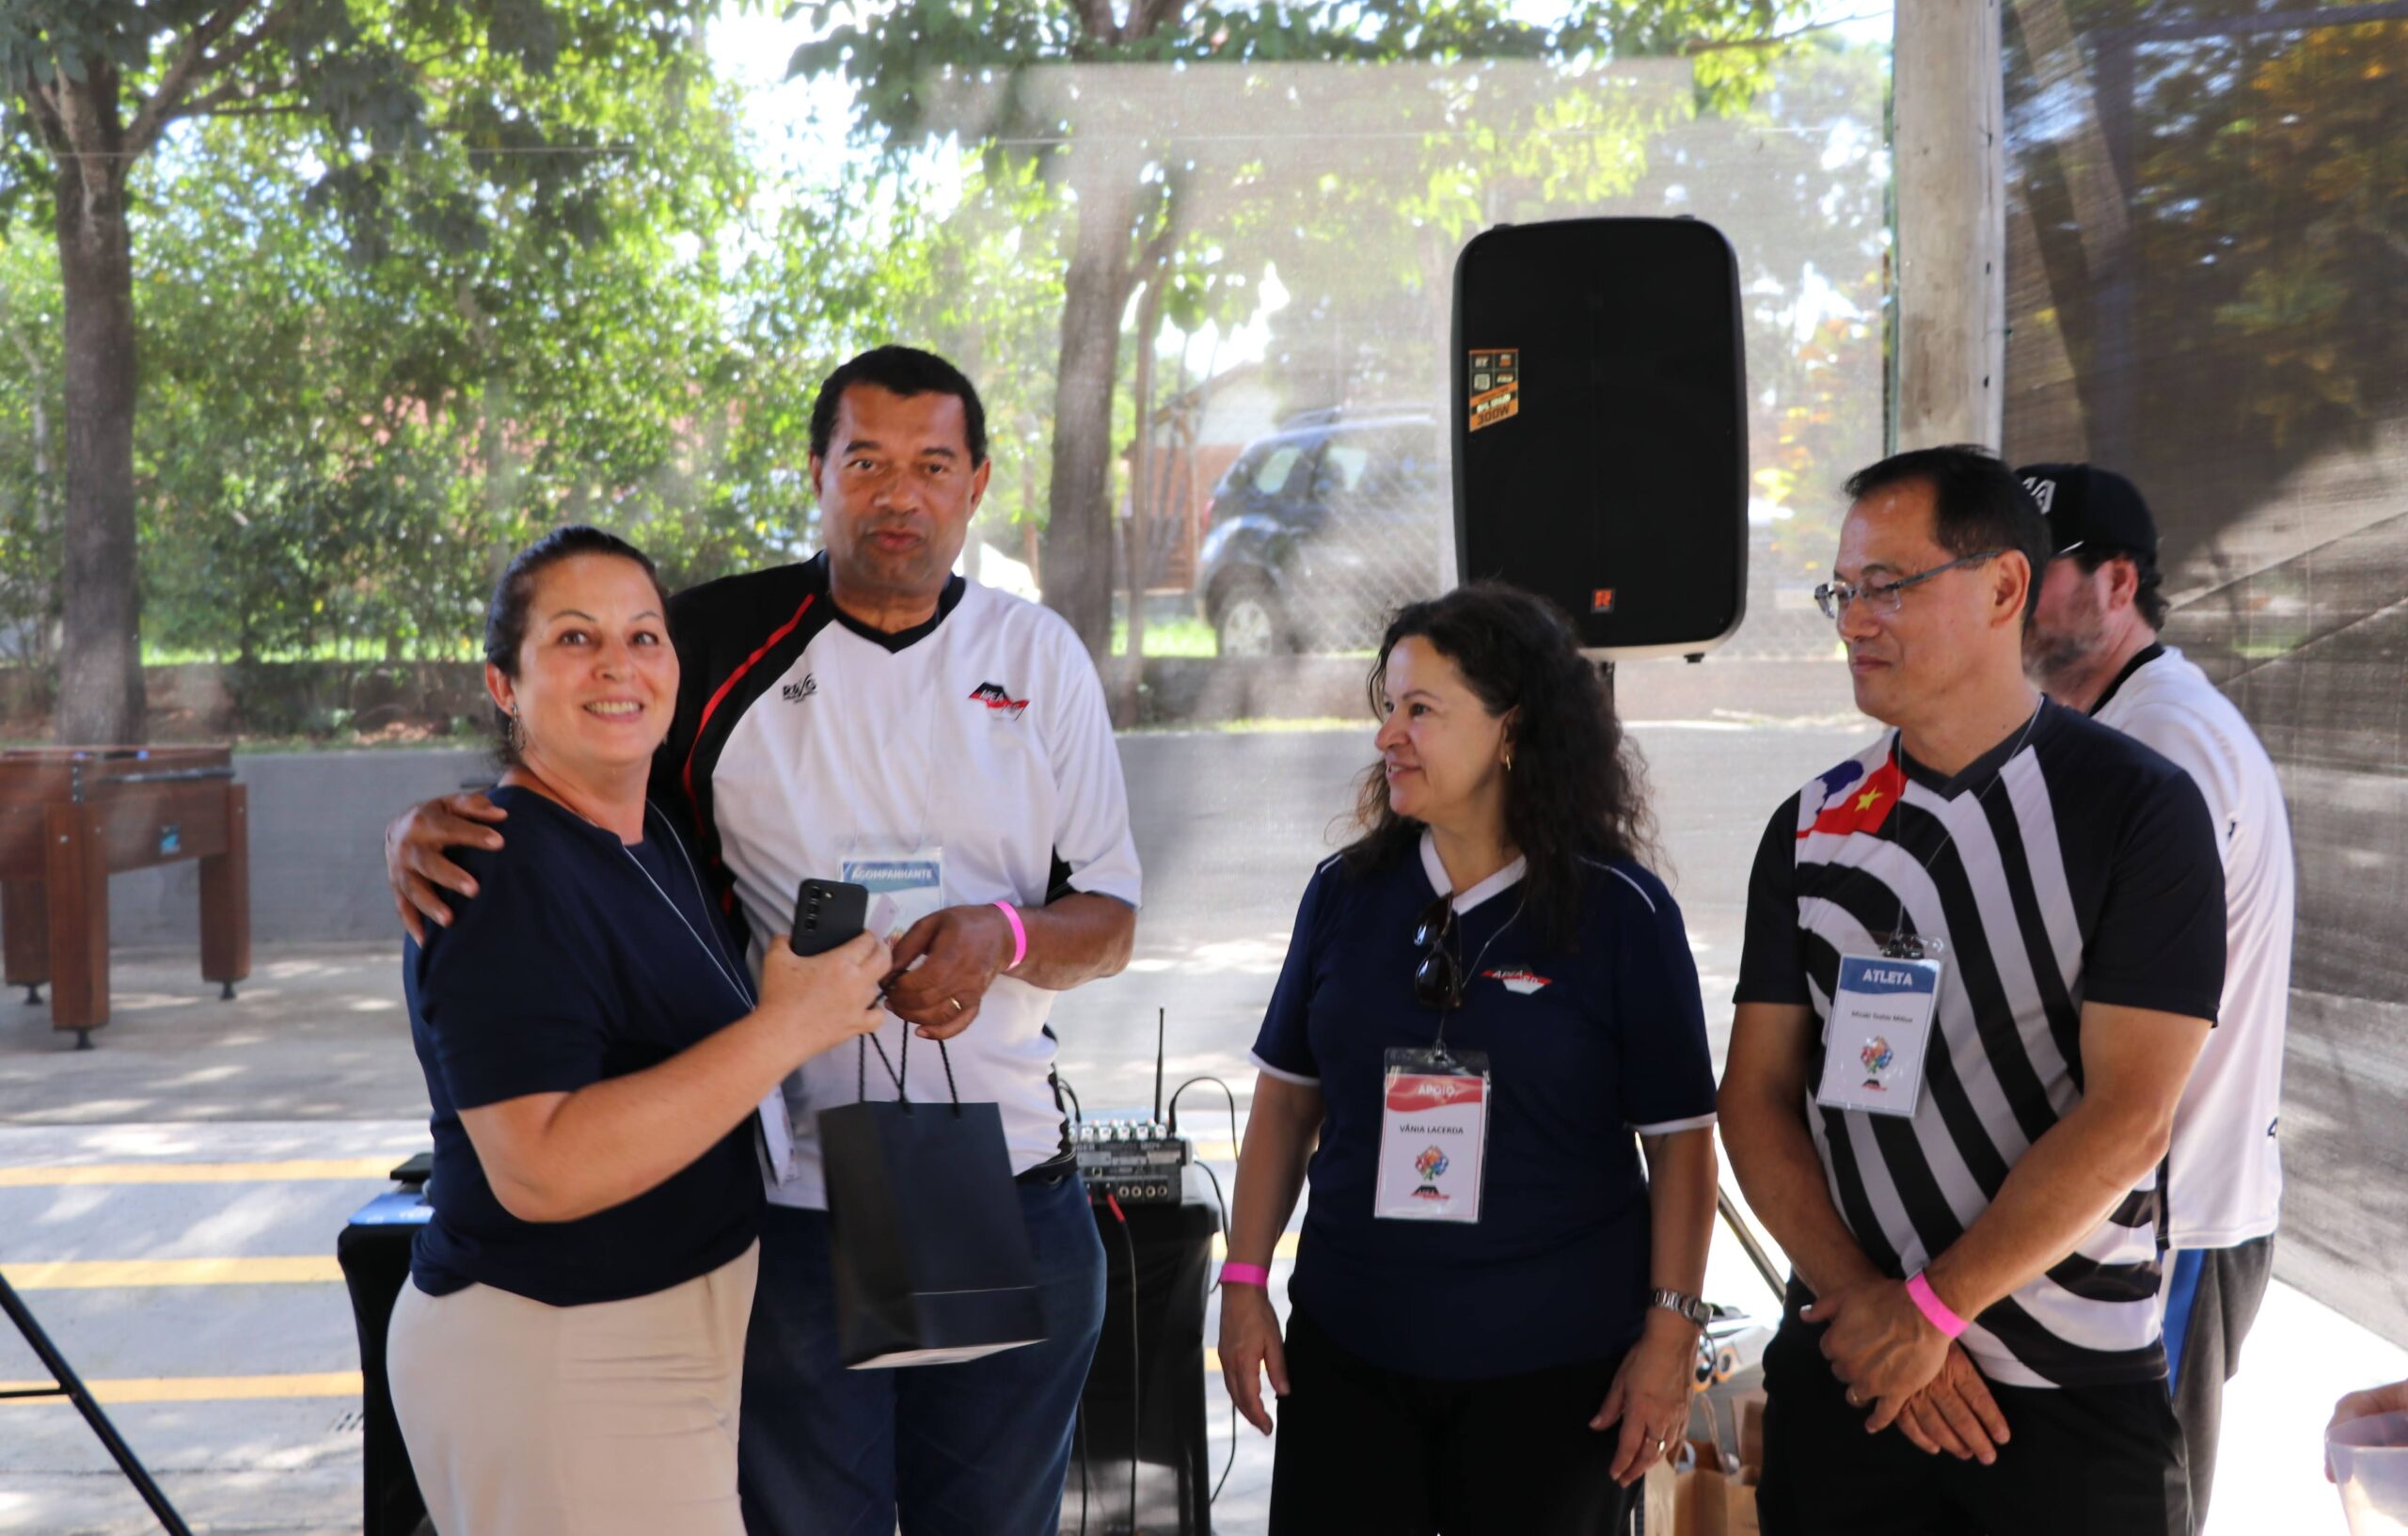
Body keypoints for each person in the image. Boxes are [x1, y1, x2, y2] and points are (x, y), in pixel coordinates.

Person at [384, 347, 1143, 1536]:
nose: (899, 495)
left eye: (932, 465)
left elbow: (1110, 920)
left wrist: (1002, 934)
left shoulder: (1039, 654)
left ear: (979, 481)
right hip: (788, 1206)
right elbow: (576, 781)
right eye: (867, 462)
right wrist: (434, 821)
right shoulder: (709, 640)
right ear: (816, 472)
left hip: (1005, 1180)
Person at [1719, 447, 2229, 1536]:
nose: (1854, 621)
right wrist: (1873, 1311)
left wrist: (1935, 1308)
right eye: (1840, 592)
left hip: (2065, 1388)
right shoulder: (1810, 825)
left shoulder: (2136, 806)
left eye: (1887, 586)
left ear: (2003, 587)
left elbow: (2131, 1115)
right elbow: (1753, 1098)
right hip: (1850, 1370)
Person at [386, 526, 892, 1536]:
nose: (618, 663)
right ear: (504, 684)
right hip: (565, 1350)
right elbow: (540, 1168)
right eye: (574, 638)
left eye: (643, 635)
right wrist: (787, 1028)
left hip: (657, 1341)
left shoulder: (647, 830)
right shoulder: (497, 874)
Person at [1218, 583, 1719, 1536]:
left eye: (1421, 710)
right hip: (1351, 1352)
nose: (1387, 736)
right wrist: (1242, 1284)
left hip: (1554, 1372)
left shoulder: (1621, 912)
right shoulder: (1344, 893)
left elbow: (1683, 1145)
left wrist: (1670, 1333)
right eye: (1388, 706)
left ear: (1511, 729)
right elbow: (1284, 1104)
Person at [2019, 462, 2297, 1527]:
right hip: (2129, 1210)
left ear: (2118, 582)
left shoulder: (2163, 738)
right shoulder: (2122, 725)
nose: (2011, 593)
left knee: (2137, 1504)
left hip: (2170, 1220)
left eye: (2038, 568)